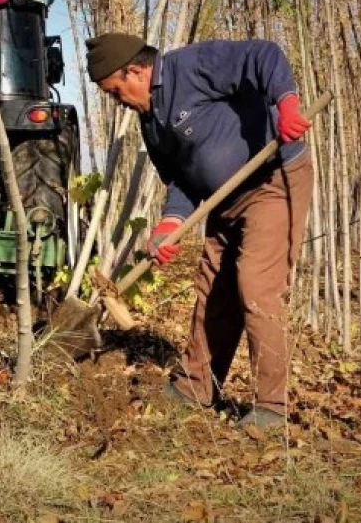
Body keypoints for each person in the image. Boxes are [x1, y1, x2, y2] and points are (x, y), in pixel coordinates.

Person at [85, 32, 313, 430]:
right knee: (213, 286)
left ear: (135, 71)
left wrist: (286, 102)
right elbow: (180, 181)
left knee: (256, 284)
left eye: (116, 91)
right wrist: (169, 224)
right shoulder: (150, 123)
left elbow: (263, 54)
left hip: (271, 179)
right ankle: (197, 386)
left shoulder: (189, 67)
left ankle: (271, 409)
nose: (118, 102)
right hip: (221, 199)